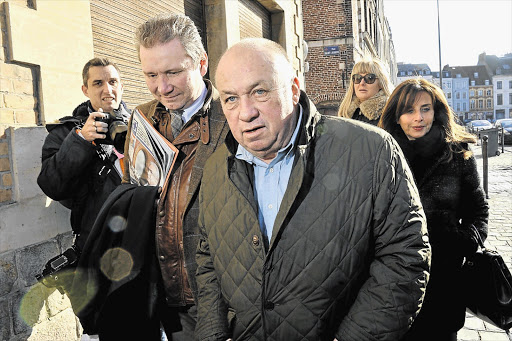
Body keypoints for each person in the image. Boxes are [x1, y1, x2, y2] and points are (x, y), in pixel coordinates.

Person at [195, 38, 431, 341]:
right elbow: (207, 261)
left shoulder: (371, 151)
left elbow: (405, 257)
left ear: (293, 90)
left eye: (259, 92)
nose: (245, 112)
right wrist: (212, 335)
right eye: (230, 98)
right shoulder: (216, 167)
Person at [116, 13, 229, 340]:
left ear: (202, 63)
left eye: (173, 72)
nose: (161, 87)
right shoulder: (142, 116)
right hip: (158, 291)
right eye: (150, 74)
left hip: (217, 300)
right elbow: (132, 191)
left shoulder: (234, 119)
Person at [379, 78, 489, 341]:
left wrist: (462, 241)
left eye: (425, 109)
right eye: (409, 110)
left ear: (436, 110)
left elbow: (478, 211)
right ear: (396, 115)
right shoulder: (380, 155)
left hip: (444, 279)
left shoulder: (457, 153)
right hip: (391, 281)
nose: (418, 118)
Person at [37, 57, 129, 253]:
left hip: (145, 233)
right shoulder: (65, 132)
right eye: (98, 83)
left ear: (121, 86)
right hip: (96, 241)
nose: (107, 90)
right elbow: (52, 186)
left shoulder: (145, 123)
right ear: (85, 90)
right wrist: (81, 140)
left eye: (113, 82)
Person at [337, 57, 393, 125]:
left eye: (369, 78)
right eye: (357, 78)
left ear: (381, 83)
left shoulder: (389, 113)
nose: (362, 83)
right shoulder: (346, 113)